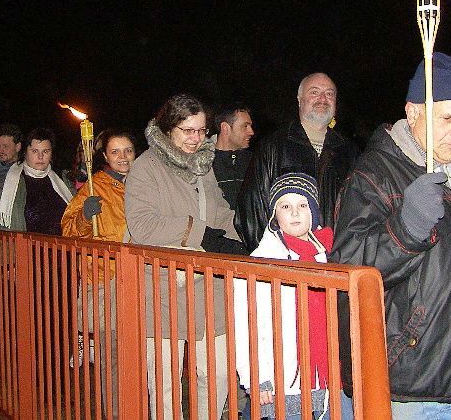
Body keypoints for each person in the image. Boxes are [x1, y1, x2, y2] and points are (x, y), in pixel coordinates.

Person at [330, 53, 451, 419]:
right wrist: (407, 229)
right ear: (413, 112)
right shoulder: (375, 175)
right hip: (406, 386)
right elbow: (347, 271)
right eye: (448, 118)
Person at [125, 94, 246, 420]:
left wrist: (243, 239)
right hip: (165, 286)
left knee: (218, 373)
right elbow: (142, 225)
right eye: (187, 130)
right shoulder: (146, 167)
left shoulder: (202, 167)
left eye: (201, 130)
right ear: (168, 128)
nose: (196, 138)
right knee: (165, 382)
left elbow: (220, 212)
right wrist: (198, 232)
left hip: (209, 285)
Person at [234, 173, 333, 420]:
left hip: (329, 376)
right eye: (285, 206)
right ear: (274, 215)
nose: (295, 213)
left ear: (314, 211)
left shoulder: (330, 254)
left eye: (303, 205)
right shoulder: (262, 261)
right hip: (284, 378)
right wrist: (256, 376)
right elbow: (246, 325)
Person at [61, 128, 138, 418]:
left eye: (128, 150)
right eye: (115, 152)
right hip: (105, 279)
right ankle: (116, 413)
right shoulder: (95, 187)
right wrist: (84, 216)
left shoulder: (143, 184)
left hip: (139, 279)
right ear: (105, 155)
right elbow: (68, 231)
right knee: (112, 355)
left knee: (138, 354)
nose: (123, 157)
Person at [235, 73, 357, 252]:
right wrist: (275, 257)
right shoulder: (273, 146)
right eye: (314, 92)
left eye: (329, 94)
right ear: (299, 100)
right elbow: (251, 211)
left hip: (336, 260)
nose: (323, 98)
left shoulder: (349, 152)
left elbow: (358, 214)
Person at [0, 128, 73, 233]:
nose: (40, 157)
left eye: (45, 151)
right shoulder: (4, 185)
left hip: (62, 243)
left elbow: (76, 216)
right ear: (25, 153)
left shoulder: (63, 181)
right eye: (34, 151)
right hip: (23, 243)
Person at [212, 103, 255, 210]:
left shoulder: (254, 162)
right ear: (225, 128)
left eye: (250, 126)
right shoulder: (203, 163)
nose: (251, 132)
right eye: (245, 126)